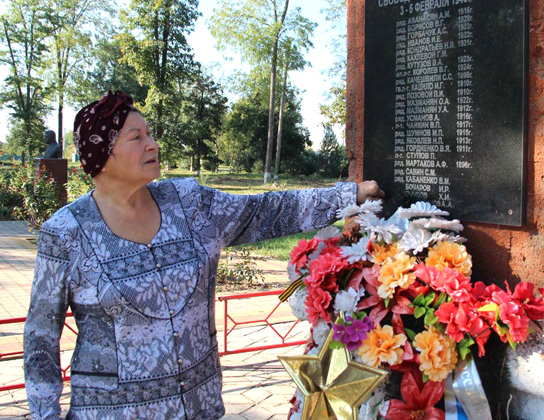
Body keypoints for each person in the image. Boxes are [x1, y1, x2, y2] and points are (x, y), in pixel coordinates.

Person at [23, 90, 384, 419]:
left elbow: (267, 210)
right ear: (102, 154)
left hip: (198, 408)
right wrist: (45, 414)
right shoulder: (67, 233)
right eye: (137, 137)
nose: (152, 145)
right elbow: (41, 336)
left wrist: (348, 196)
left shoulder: (190, 204)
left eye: (150, 134)